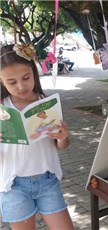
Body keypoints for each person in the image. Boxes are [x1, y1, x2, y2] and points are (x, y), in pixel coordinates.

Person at [0, 44, 74, 229]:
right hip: (13, 185)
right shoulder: (2, 107)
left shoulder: (47, 104)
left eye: (26, 77)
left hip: (47, 181)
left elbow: (61, 147)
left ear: (34, 72)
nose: (21, 86)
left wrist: (63, 137)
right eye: (11, 82)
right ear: (1, 81)